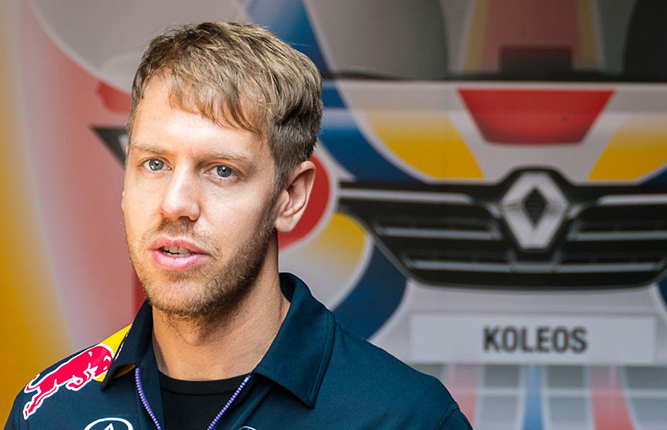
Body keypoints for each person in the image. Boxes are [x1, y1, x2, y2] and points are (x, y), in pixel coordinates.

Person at [5, 22, 472, 430]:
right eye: (154, 164)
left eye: (221, 170)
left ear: (291, 197)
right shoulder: (51, 411)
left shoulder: (406, 418)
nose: (175, 203)